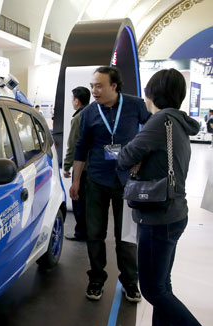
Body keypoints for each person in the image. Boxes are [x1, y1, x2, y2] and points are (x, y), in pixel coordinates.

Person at [118, 68, 213, 326]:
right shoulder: (179, 123)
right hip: (173, 213)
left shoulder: (161, 120)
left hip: (158, 217)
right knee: (162, 283)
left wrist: (124, 153)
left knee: (153, 289)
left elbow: (128, 154)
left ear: (152, 93)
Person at [70, 66, 150, 302]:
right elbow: (81, 148)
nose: (94, 90)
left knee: (125, 235)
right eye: (92, 85)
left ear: (114, 86)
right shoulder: (88, 114)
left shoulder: (135, 105)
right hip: (96, 179)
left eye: (99, 86)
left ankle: (130, 282)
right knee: (95, 233)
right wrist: (76, 181)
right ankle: (96, 279)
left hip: (127, 181)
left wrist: (142, 158)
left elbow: (152, 131)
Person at [63, 86, 90, 241]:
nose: (72, 102)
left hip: (81, 168)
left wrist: (66, 166)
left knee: (78, 200)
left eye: (72, 99)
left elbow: (73, 145)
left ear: (77, 101)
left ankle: (81, 233)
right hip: (93, 167)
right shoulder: (94, 113)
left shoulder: (79, 118)